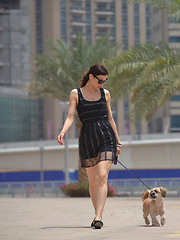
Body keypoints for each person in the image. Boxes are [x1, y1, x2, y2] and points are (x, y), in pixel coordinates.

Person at [57, 64, 122, 229]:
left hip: (106, 137)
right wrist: (63, 132)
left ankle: (98, 216)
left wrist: (118, 141)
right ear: (91, 77)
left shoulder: (105, 94)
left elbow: (110, 119)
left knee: (102, 176)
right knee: (92, 183)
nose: (102, 84)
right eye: (100, 80)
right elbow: (70, 117)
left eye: (105, 81)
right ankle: (97, 214)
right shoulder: (75, 94)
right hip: (88, 139)